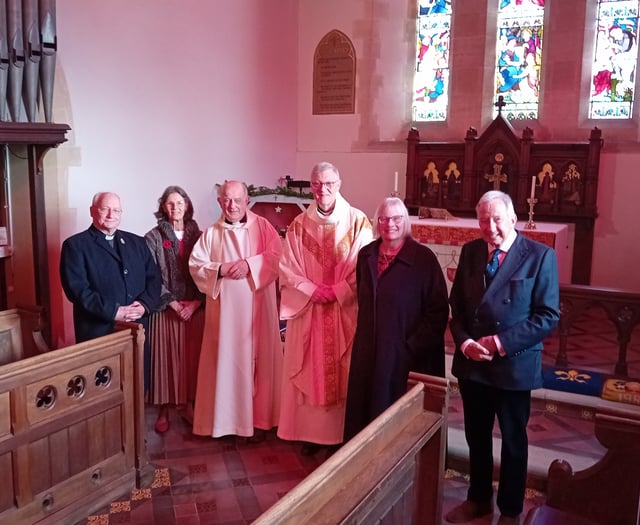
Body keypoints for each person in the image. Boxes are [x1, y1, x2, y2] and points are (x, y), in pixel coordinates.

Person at [446, 190, 560, 525]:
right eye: (483, 219)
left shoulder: (539, 256)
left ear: (513, 218)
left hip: (513, 364)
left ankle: (510, 510)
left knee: (513, 439)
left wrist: (498, 342)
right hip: (473, 364)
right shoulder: (470, 252)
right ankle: (478, 498)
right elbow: (457, 309)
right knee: (476, 436)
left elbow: (547, 316)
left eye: (497, 219)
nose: (490, 227)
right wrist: (465, 343)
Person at [278, 161, 373, 455]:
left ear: (339, 184)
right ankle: (309, 434)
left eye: (329, 183)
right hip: (309, 310)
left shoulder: (358, 222)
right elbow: (287, 268)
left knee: (343, 369)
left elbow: (364, 266)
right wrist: (311, 290)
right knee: (307, 366)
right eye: (317, 184)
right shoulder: (297, 226)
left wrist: (338, 292)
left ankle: (341, 434)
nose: (323, 190)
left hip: (343, 310)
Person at [343, 197, 449, 442]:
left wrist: (411, 346)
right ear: (377, 222)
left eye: (396, 218)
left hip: (404, 354)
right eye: (384, 218)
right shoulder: (366, 255)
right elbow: (364, 300)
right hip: (369, 350)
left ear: (405, 222)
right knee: (365, 412)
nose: (390, 224)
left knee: (394, 418)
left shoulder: (423, 259)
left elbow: (438, 310)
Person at [188, 180, 282, 441]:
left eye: (237, 200)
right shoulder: (211, 234)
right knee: (226, 363)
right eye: (226, 200)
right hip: (225, 318)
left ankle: (259, 422)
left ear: (247, 200)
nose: (231, 205)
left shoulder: (263, 227)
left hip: (257, 313)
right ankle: (226, 423)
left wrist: (249, 265)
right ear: (219, 202)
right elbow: (196, 265)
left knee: (259, 362)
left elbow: (276, 257)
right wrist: (220, 269)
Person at [60, 191, 162, 388]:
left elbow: (154, 278)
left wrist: (144, 305)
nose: (110, 215)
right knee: (103, 391)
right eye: (105, 209)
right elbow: (77, 290)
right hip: (98, 330)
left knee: (136, 385)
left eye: (116, 210)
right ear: (92, 211)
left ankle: (137, 419)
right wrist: (113, 311)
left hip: (136, 327)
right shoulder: (75, 245)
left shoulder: (137, 242)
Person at [145, 186, 204, 433]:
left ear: (187, 206)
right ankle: (164, 410)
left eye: (180, 203)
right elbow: (150, 275)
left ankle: (189, 404)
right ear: (163, 207)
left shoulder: (201, 235)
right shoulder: (153, 236)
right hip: (166, 308)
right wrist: (171, 302)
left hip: (194, 307)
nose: (175, 208)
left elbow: (207, 270)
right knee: (165, 360)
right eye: (170, 203)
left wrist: (197, 302)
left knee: (192, 360)